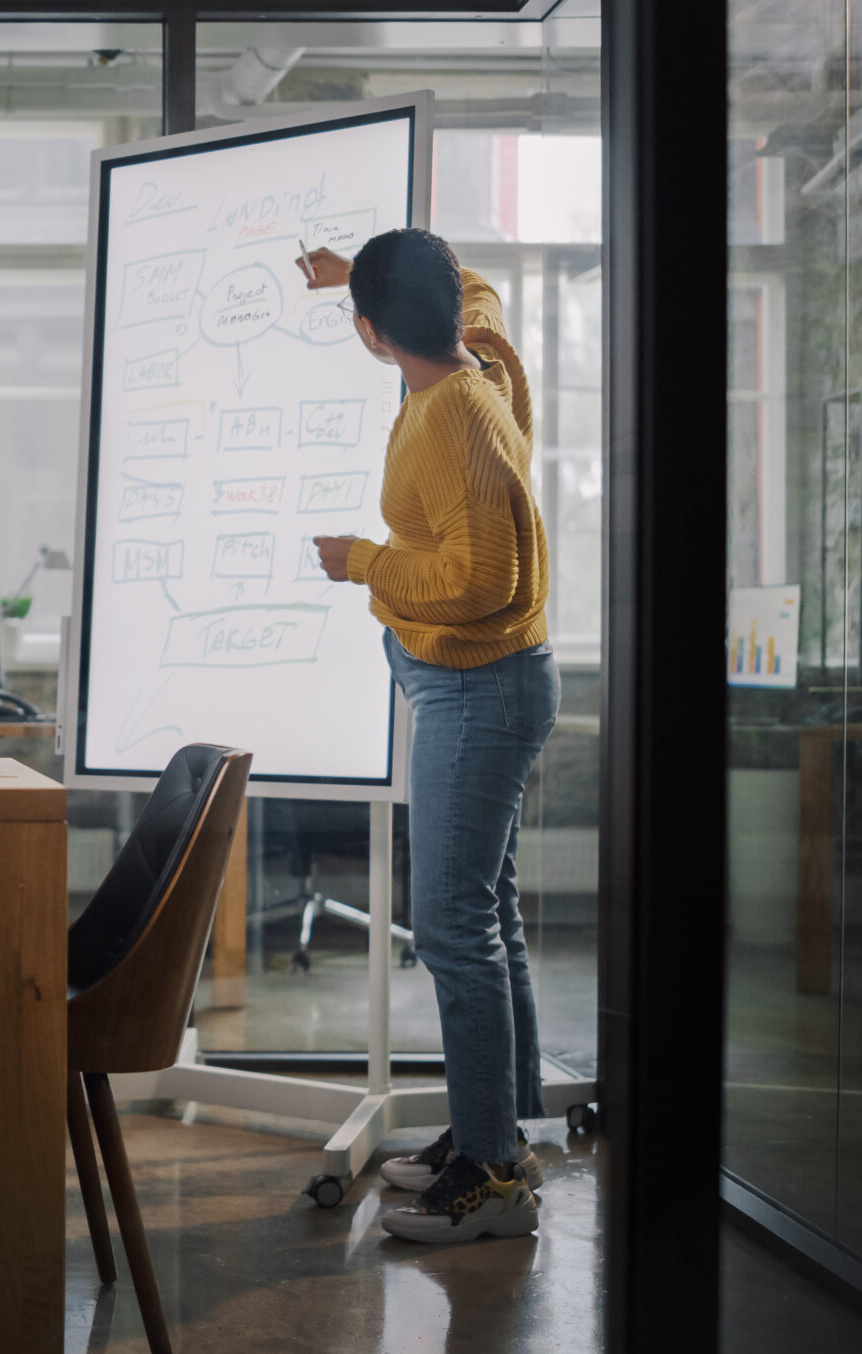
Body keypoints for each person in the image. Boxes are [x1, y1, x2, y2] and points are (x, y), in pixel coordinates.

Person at [301, 231, 556, 1244]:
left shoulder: (456, 415)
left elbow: (480, 582)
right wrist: (353, 274)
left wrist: (362, 560)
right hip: (471, 682)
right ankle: (499, 1131)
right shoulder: (481, 353)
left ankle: (492, 1180)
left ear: (370, 336)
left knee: (453, 926)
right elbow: (471, 284)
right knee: (484, 910)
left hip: (473, 687)